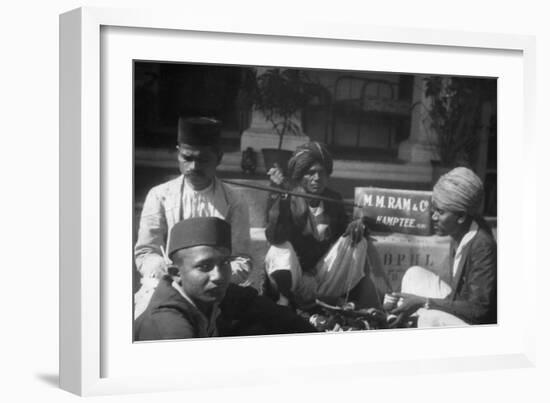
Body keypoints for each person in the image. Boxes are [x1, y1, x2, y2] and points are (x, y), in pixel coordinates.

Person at [134, 117, 254, 318]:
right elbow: (146, 252)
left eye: (203, 159)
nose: (194, 166)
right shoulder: (160, 195)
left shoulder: (235, 200)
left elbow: (242, 260)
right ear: (177, 154)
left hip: (218, 289)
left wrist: (209, 279)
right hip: (167, 285)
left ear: (219, 158)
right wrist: (167, 272)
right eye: (187, 158)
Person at [134, 217, 317, 340]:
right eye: (204, 267)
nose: (219, 276)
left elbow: (276, 314)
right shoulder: (169, 326)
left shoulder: (209, 292)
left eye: (224, 263)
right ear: (176, 273)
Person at [264, 141, 380, 309]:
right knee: (279, 248)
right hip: (296, 278)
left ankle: (340, 299)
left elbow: (345, 231)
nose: (317, 178)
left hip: (324, 278)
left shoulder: (333, 199)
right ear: (300, 175)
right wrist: (281, 196)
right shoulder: (288, 197)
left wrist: (357, 225)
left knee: (358, 241)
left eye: (322, 173)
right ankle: (285, 301)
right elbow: (274, 236)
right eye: (311, 173)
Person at [390, 167, 497, 327]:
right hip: (460, 304)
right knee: (414, 275)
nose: (433, 216)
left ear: (461, 216)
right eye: (434, 210)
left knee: (429, 318)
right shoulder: (460, 231)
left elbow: (480, 310)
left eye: (440, 212)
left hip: (477, 326)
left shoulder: (482, 245)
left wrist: (424, 302)